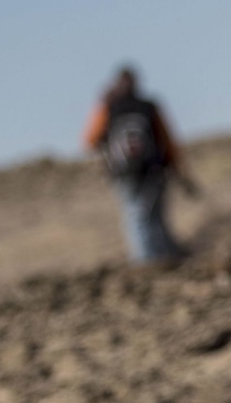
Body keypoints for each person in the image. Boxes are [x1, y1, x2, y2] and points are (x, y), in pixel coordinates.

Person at [83, 66, 199, 266]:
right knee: (153, 216)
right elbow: (167, 141)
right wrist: (179, 172)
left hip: (124, 173)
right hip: (153, 171)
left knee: (136, 217)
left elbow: (90, 140)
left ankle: (148, 260)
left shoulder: (108, 107)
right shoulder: (148, 106)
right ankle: (162, 257)